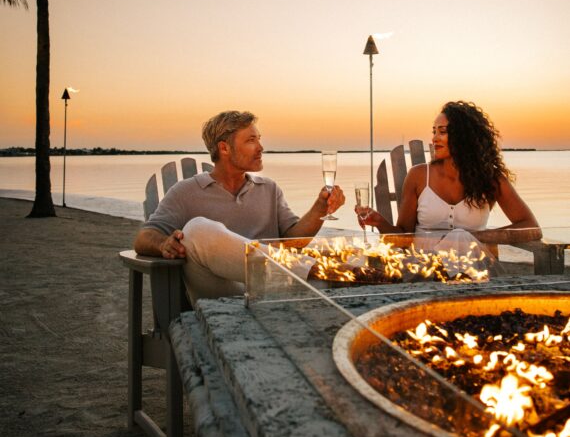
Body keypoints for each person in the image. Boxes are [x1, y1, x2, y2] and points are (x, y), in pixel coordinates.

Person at [134, 110, 345, 302]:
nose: (261, 148)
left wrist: (320, 208)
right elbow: (144, 237)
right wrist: (163, 244)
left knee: (334, 261)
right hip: (221, 294)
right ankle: (328, 272)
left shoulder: (268, 189)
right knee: (197, 230)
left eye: (259, 139)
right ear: (224, 148)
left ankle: (330, 276)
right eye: (251, 140)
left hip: (271, 289)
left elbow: (294, 241)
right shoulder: (185, 192)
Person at [359, 101, 542, 247]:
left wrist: (479, 238)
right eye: (434, 131)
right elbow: (404, 237)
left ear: (464, 136)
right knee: (460, 238)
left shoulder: (490, 179)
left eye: (443, 132)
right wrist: (380, 223)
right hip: (426, 269)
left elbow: (532, 228)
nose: (434, 138)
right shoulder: (419, 176)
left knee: (461, 237)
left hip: (473, 267)